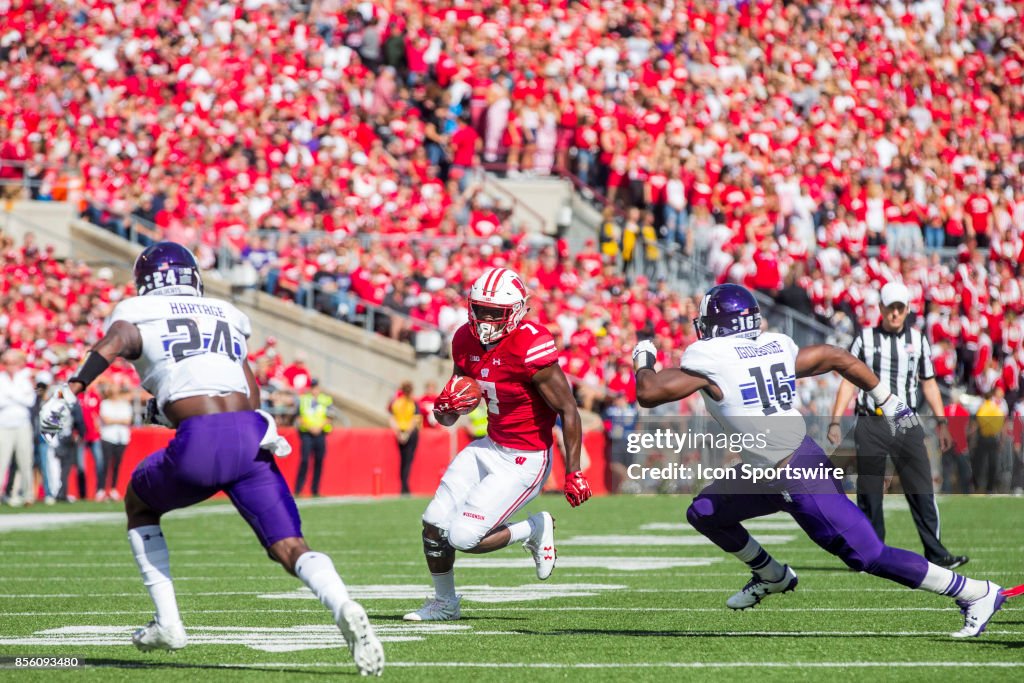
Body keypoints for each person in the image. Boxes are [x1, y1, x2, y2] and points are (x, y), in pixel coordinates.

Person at [39, 242, 383, 675]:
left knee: (139, 502)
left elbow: (117, 341)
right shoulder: (226, 315)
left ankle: (169, 624)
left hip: (202, 439)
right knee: (289, 546)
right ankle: (342, 604)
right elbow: (247, 389)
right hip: (251, 435)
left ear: (147, 282)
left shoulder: (139, 311)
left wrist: (71, 389)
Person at [632, 283, 1006, 638]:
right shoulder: (773, 345)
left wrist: (644, 358)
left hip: (796, 472)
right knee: (704, 512)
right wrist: (888, 399)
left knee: (869, 555)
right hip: (766, 470)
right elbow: (834, 356)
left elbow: (648, 393)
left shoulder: (710, 359)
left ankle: (974, 592)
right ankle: (772, 574)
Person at [404, 267, 593, 622]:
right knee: (433, 523)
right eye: (481, 310)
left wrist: (574, 471)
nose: (487, 320)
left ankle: (534, 527)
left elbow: (568, 409)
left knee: (463, 537)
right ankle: (445, 604)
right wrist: (444, 409)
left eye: (496, 313)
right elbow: (453, 411)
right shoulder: (464, 339)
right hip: (489, 445)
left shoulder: (530, 344)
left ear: (518, 312)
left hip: (526, 457)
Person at [828, 282, 967, 569]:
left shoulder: (918, 340)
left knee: (921, 489)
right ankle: (870, 552)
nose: (894, 313)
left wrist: (941, 421)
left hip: (906, 422)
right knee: (869, 492)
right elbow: (848, 382)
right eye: (890, 308)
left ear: (906, 310)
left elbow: (928, 382)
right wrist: (834, 419)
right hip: (871, 421)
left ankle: (936, 553)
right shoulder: (865, 339)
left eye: (899, 308)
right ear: (880, 308)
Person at [0, 350, 37, 507]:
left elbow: (29, 401)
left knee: (25, 461)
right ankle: (4, 493)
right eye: (7, 363)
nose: (10, 366)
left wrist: (11, 396)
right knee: (2, 461)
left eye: (13, 363)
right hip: (4, 424)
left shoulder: (24, 379)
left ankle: (28, 494)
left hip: (22, 424)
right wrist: (17, 397)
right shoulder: (1, 379)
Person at [294, 379, 333, 497]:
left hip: (321, 433)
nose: (315, 390)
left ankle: (315, 489)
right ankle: (298, 489)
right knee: (305, 460)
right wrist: (310, 427)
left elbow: (330, 416)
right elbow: (298, 417)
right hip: (306, 433)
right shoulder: (303, 399)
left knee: (319, 460)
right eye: (313, 387)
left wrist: (319, 427)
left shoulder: (326, 400)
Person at [99, 383, 134, 500]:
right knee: (105, 463)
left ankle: (113, 488)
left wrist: (114, 419)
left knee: (116, 464)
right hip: (108, 437)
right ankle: (102, 489)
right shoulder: (105, 404)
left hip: (121, 438)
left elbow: (128, 420)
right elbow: (106, 420)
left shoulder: (125, 404)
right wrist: (119, 420)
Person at [388, 382, 421, 495]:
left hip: (400, 432)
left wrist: (398, 433)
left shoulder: (396, 402)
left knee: (403, 460)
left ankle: (403, 485)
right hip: (410, 433)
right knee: (408, 460)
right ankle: (405, 486)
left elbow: (392, 419)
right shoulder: (413, 403)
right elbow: (414, 419)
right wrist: (407, 433)